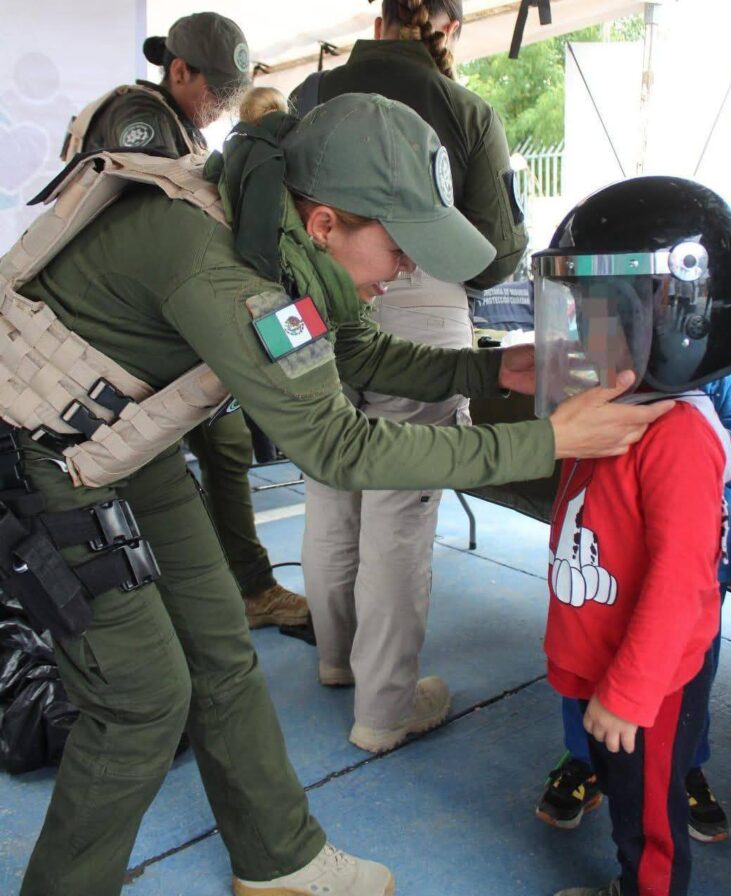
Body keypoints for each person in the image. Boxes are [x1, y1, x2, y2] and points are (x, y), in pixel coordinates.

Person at [1, 93, 671, 896]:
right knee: (142, 703)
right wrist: (548, 442)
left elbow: (355, 352)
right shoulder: (228, 274)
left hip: (119, 449)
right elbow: (338, 446)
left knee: (220, 648)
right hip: (35, 458)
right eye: (399, 246)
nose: (410, 269)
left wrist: (491, 370)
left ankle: (277, 858)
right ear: (324, 224)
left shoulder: (274, 240)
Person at [293, 0, 529, 753]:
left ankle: (337, 659)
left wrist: (487, 367)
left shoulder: (309, 99)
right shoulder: (463, 107)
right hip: (426, 300)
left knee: (330, 487)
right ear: (448, 27)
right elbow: (496, 250)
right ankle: (384, 706)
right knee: (398, 505)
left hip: (317, 297)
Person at [530, 175, 731, 896]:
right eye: (578, 311)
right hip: (608, 670)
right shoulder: (611, 411)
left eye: (600, 312)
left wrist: (629, 693)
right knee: (627, 799)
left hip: (644, 689)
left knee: (648, 823)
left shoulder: (680, 435)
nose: (581, 332)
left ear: (675, 311)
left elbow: (684, 586)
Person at [61, 11, 308, 629]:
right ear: (179, 70)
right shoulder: (137, 126)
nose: (223, 107)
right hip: (135, 343)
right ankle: (219, 595)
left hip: (177, 336)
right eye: (218, 92)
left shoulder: (175, 128)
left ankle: (243, 588)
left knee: (220, 453)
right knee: (169, 468)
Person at [536, 373, 731, 843]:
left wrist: (721, 445)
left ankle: (685, 768)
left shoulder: (718, 392)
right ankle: (585, 759)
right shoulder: (608, 383)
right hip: (608, 578)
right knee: (589, 674)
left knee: (681, 687)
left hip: (693, 585)